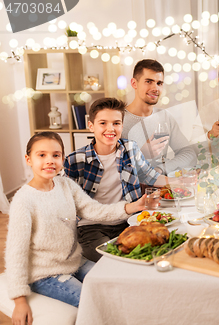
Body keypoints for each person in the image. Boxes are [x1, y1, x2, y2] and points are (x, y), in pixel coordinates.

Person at [6, 132, 146, 325]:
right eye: (41, 155)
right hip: (46, 274)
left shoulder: (65, 185)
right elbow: (15, 253)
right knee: (96, 303)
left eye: (55, 155)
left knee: (114, 283)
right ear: (28, 159)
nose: (49, 161)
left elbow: (92, 210)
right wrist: (19, 299)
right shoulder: (23, 201)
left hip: (75, 262)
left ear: (63, 159)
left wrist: (130, 207)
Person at [64, 98, 171, 262]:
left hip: (129, 222)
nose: (110, 129)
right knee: (113, 259)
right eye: (103, 123)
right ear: (91, 126)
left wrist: (183, 182)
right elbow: (67, 204)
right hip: (92, 227)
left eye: (116, 123)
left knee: (156, 250)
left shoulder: (130, 148)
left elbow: (150, 175)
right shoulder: (75, 160)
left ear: (122, 125)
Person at [122, 59, 196, 174]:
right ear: (134, 83)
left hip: (160, 187)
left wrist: (161, 169)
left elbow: (188, 153)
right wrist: (141, 154)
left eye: (159, 83)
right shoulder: (118, 120)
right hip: (131, 189)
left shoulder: (165, 117)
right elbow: (108, 165)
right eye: (148, 81)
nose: (155, 88)